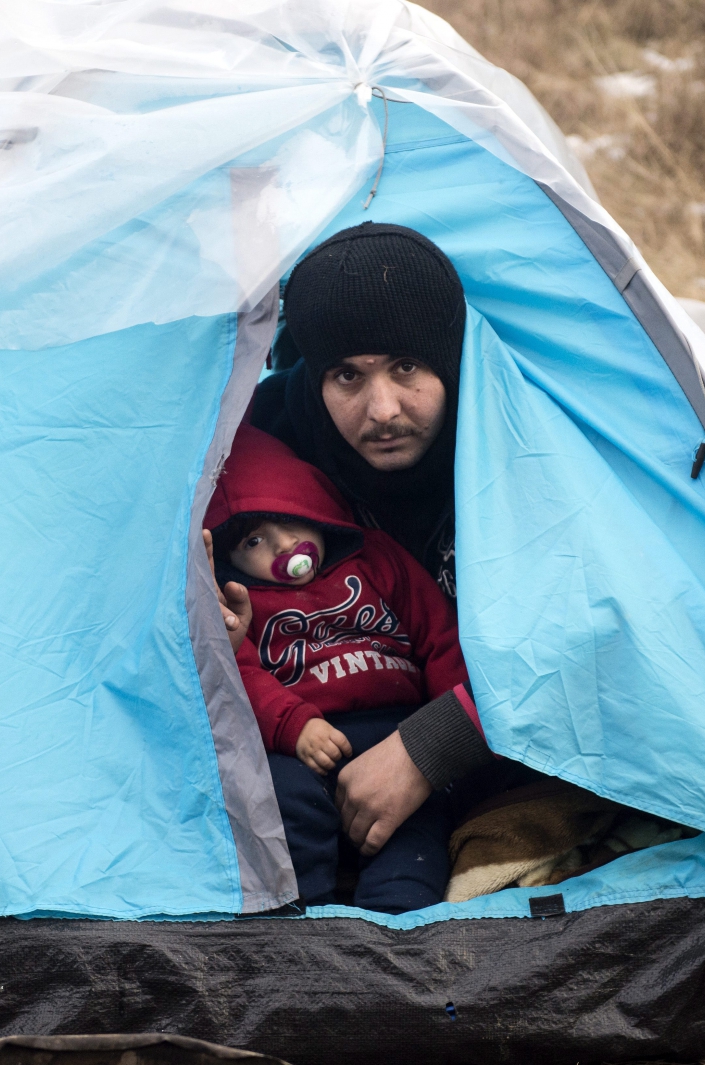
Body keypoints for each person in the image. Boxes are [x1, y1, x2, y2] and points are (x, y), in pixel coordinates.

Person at [242, 221, 528, 859]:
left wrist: (428, 751)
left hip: (479, 733)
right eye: (347, 376)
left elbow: (579, 632)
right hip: (308, 742)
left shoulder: (519, 448)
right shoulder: (266, 452)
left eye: (406, 366)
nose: (383, 409)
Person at [205, 423, 471, 912]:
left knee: (416, 825)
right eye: (254, 541)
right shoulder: (239, 601)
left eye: (294, 523)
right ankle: (302, 916)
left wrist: (448, 739)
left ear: (321, 512)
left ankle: (398, 917)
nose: (284, 546)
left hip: (398, 733)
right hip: (300, 742)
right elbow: (239, 674)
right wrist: (292, 723)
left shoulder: (376, 559)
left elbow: (439, 638)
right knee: (282, 804)